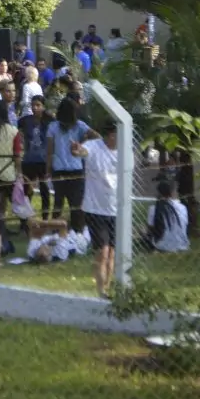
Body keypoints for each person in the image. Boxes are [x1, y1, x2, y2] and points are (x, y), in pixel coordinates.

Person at [73, 120, 119, 298]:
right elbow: (82, 152)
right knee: (102, 251)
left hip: (116, 209)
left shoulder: (125, 151)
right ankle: (101, 291)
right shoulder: (94, 146)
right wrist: (76, 150)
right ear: (111, 135)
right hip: (95, 209)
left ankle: (107, 287)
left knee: (112, 253)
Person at [45, 97, 99, 231]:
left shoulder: (53, 127)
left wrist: (48, 170)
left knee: (58, 203)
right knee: (76, 204)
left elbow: (49, 152)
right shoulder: (79, 125)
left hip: (59, 170)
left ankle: (56, 231)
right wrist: (84, 143)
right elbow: (97, 137)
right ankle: (78, 231)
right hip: (76, 170)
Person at [18, 95, 51, 219]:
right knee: (26, 190)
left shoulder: (49, 121)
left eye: (38, 105)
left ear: (43, 106)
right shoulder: (25, 120)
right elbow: (15, 129)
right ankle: (25, 218)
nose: (34, 108)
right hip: (28, 160)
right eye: (33, 105)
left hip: (43, 161)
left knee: (44, 190)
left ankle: (45, 218)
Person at [144, 181, 190, 253]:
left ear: (158, 193)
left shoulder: (154, 208)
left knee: (144, 232)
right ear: (172, 193)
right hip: (182, 245)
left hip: (162, 246)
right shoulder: (183, 207)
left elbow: (150, 229)